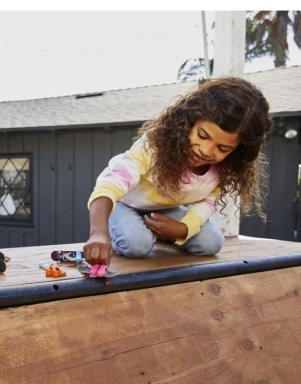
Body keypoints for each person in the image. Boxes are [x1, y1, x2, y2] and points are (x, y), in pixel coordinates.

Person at [83, 76, 273, 265]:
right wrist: (98, 233)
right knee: (137, 245)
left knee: (211, 243)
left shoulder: (223, 170)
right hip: (122, 203)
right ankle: (124, 230)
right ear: (190, 121)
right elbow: (110, 184)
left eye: (222, 149)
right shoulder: (156, 145)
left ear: (237, 151)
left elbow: (207, 203)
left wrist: (182, 229)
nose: (206, 151)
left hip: (163, 210)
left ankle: (158, 233)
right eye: (202, 135)